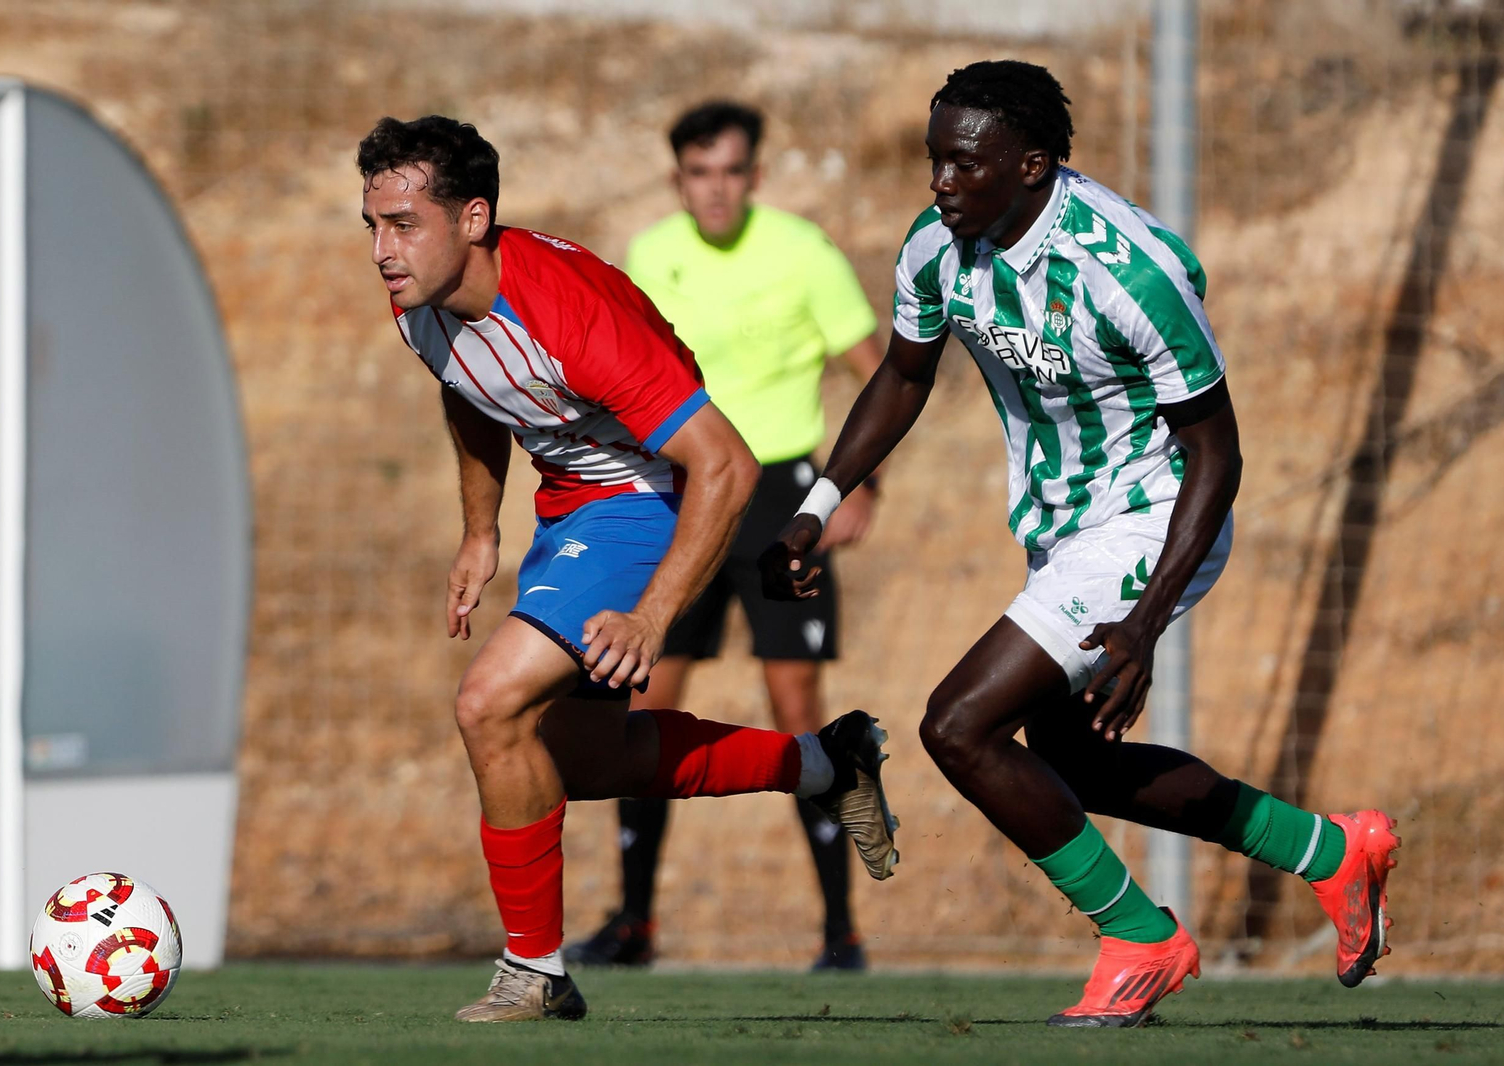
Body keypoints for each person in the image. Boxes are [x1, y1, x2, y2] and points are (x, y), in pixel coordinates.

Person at [759, 60, 1398, 1027]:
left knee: (958, 725)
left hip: (1157, 516)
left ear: (1033, 165)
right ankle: (1331, 852)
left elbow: (1218, 455)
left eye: (964, 163)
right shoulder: (937, 245)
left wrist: (1143, 624)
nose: (940, 182)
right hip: (1061, 528)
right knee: (1075, 760)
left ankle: (1139, 937)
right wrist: (817, 503)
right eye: (935, 159)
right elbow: (903, 374)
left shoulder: (1128, 271)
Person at [357, 115, 900, 1023]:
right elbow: (471, 389)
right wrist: (480, 531)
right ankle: (825, 763)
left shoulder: (568, 312)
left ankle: (535, 970)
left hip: (653, 499)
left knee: (489, 704)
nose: (382, 250)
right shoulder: (420, 299)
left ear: (474, 218)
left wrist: (651, 616)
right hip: (572, 510)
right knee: (583, 759)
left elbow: (726, 464)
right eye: (372, 225)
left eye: (404, 223)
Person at [566, 101, 887, 973]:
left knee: (796, 711)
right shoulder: (649, 256)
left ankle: (841, 933)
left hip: (781, 500)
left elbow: (879, 372)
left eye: (732, 171)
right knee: (643, 707)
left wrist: (858, 485)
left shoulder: (802, 252)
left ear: (756, 176)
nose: (717, 189)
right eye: (700, 173)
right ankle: (634, 923)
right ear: (678, 180)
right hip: (684, 499)